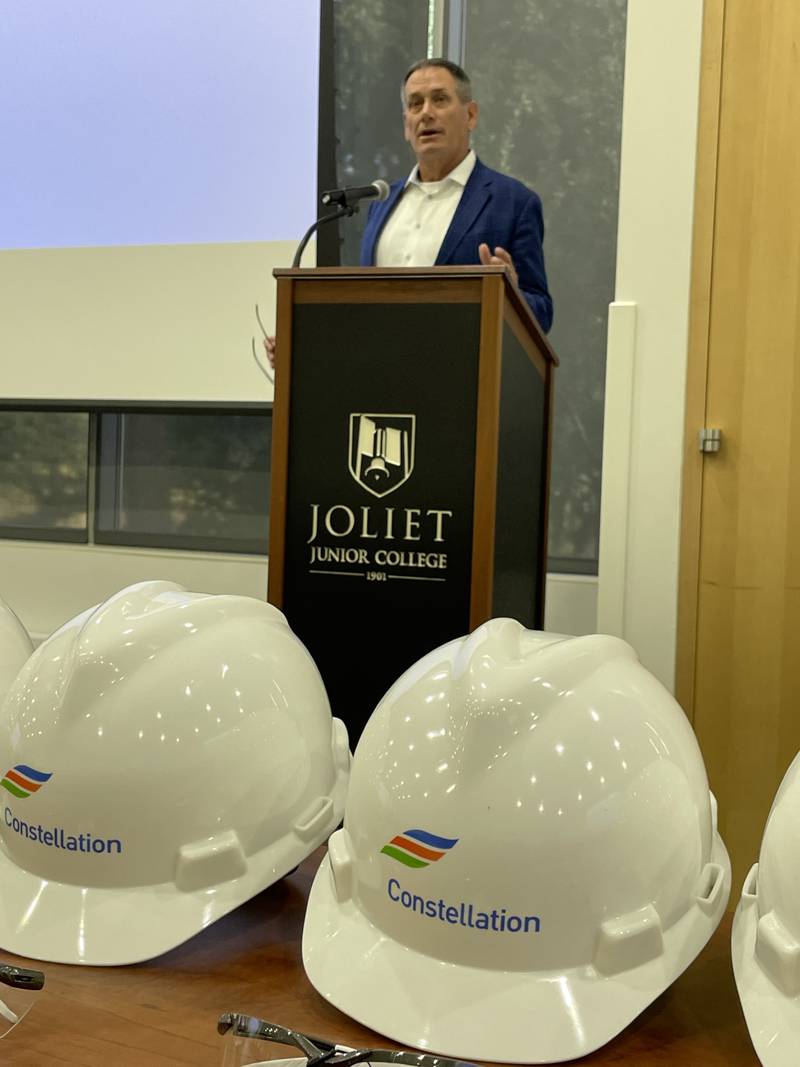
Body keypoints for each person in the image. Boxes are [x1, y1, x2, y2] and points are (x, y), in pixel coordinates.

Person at [265, 58, 552, 368]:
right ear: (406, 125)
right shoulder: (382, 203)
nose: (426, 113)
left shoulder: (512, 202)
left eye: (440, 99)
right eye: (415, 104)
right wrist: (308, 345)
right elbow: (365, 311)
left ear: (470, 115)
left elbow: (542, 313)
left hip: (463, 384)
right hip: (382, 383)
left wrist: (512, 298)